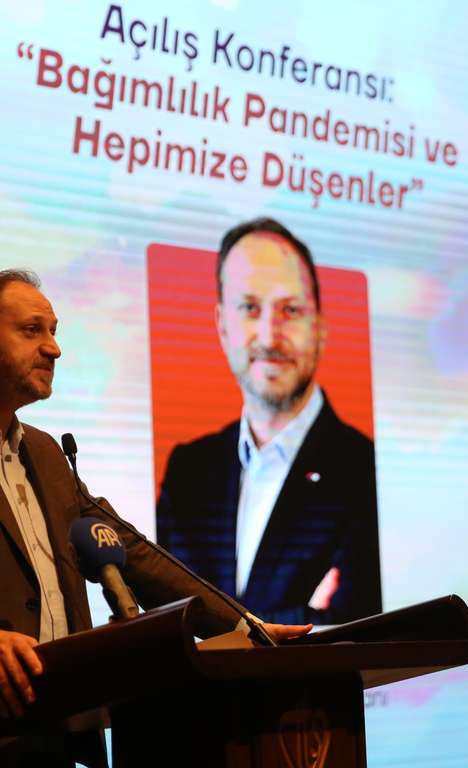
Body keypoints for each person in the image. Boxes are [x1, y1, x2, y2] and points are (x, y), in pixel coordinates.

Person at [0, 270, 307, 768]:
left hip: (49, 741)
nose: (53, 349)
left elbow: (130, 551)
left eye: (54, 331)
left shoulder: (44, 453)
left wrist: (247, 629)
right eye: (31, 330)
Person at [156, 219, 382, 626]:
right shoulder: (188, 472)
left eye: (289, 310)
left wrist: (214, 633)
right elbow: (165, 620)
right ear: (222, 325)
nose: (268, 336)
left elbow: (354, 624)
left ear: (320, 327)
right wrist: (300, 616)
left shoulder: (369, 472)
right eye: (249, 308)